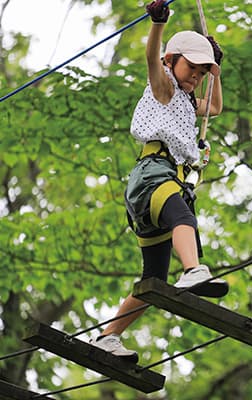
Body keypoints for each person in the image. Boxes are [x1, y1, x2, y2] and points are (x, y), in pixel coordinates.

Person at [89, 0, 228, 360]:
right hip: (153, 176)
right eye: (192, 68)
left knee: (154, 279)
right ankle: (194, 268)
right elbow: (152, 57)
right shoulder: (163, 86)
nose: (195, 77)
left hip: (164, 184)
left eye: (201, 73)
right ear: (172, 61)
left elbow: (214, 108)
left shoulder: (186, 98)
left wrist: (216, 69)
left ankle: (108, 336)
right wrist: (158, 24)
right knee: (183, 217)